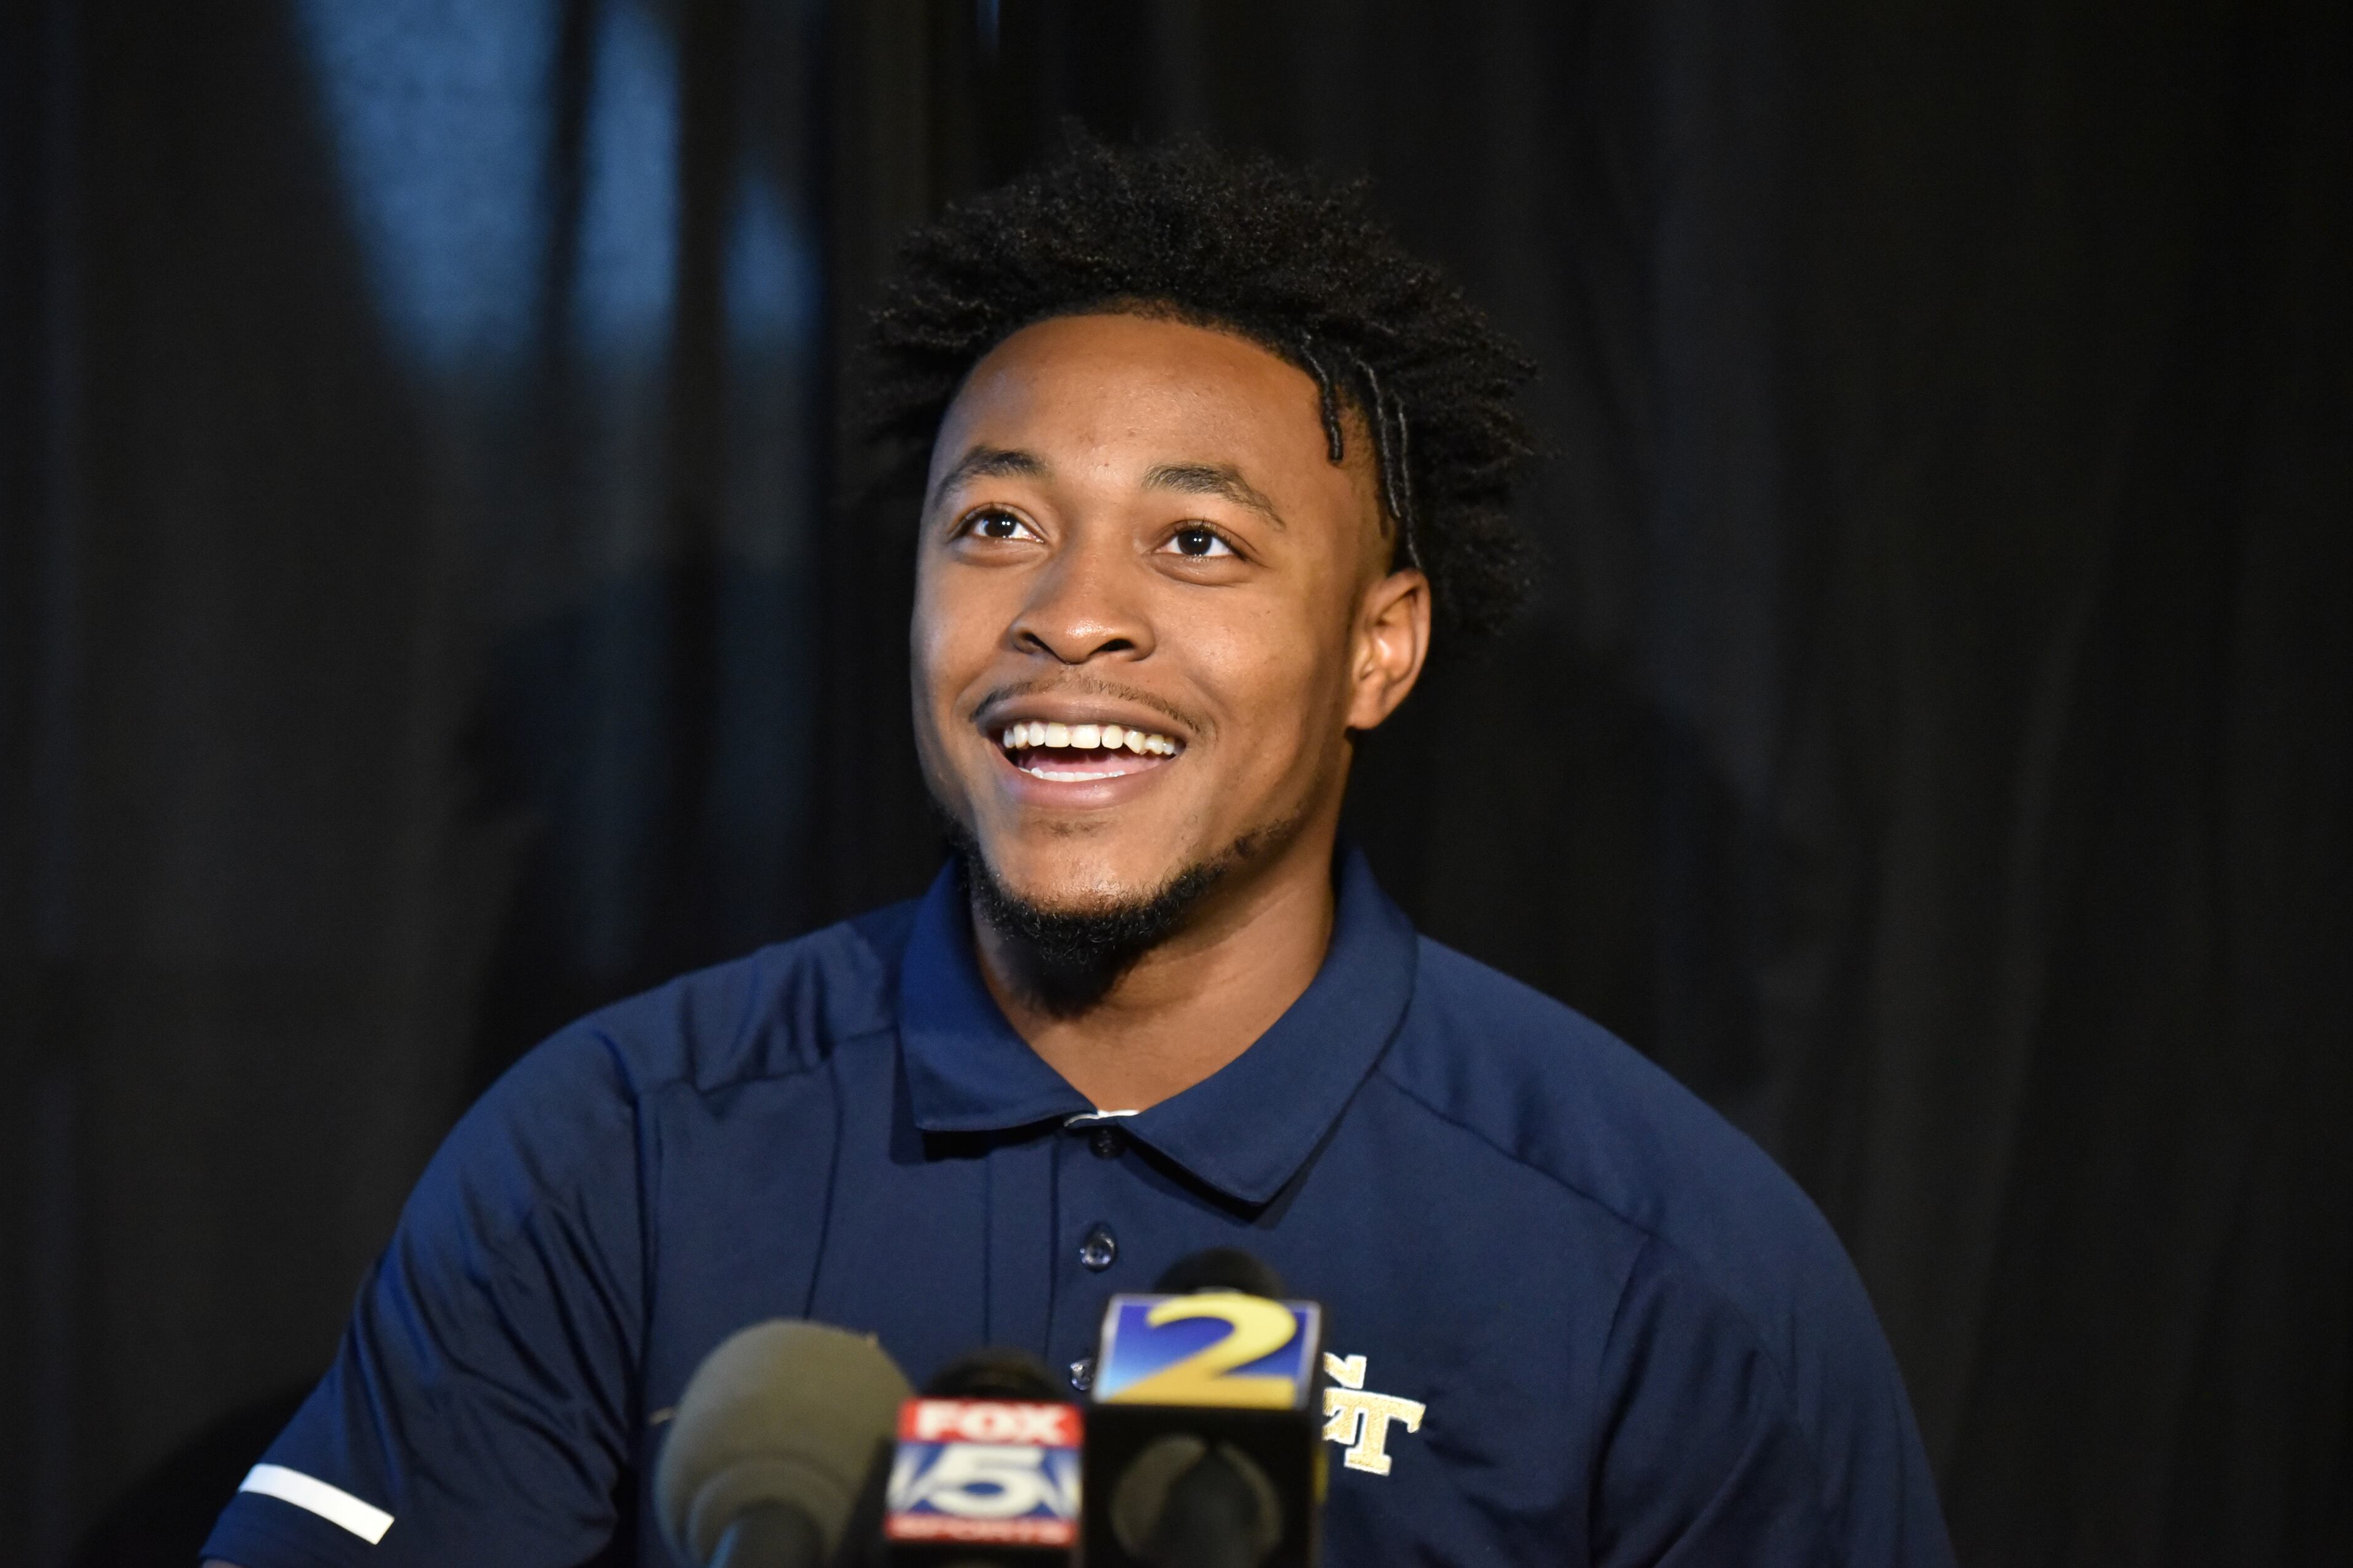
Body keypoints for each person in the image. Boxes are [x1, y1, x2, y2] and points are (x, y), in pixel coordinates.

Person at [204, 139, 1954, 1568]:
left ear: (1381, 647)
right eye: (997, 523)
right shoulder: (612, 1154)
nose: (1072, 616)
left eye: (1196, 539)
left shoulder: (1677, 1265)